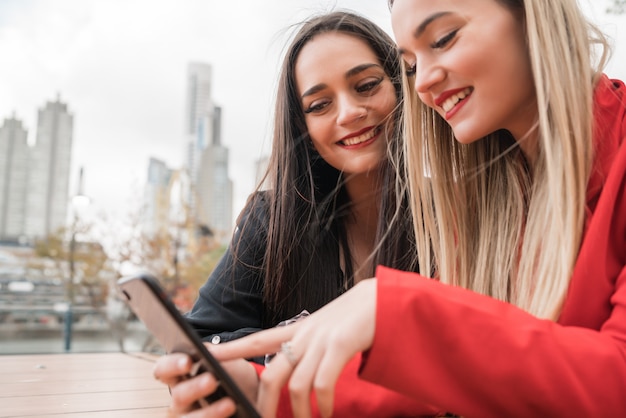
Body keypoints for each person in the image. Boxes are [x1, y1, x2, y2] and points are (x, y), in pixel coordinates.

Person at [202, 0, 626, 416]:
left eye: (443, 38)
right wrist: (260, 393)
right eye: (409, 66)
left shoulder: (451, 213)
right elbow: (445, 377)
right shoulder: (493, 204)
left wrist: (399, 312)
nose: (421, 83)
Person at [153, 10, 428, 417]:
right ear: (303, 127)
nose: (348, 112)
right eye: (319, 105)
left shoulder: (454, 217)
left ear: (402, 87)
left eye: (367, 86)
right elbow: (201, 337)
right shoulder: (271, 218)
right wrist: (288, 349)